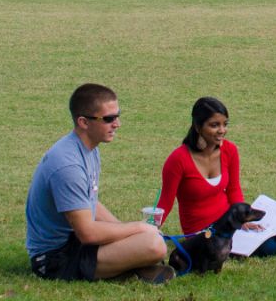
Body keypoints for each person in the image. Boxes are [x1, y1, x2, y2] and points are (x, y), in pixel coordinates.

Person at [25, 83, 173, 284]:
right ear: (84, 122)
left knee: (148, 240)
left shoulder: (89, 148)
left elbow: (90, 203)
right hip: (54, 259)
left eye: (118, 116)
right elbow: (87, 233)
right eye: (109, 119)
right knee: (154, 245)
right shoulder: (68, 165)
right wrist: (138, 228)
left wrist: (127, 233)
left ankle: (129, 268)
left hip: (75, 243)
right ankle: (129, 269)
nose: (117, 124)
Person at [156, 97, 276, 257]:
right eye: (214, 125)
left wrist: (242, 219)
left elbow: (233, 189)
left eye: (225, 124)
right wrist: (149, 230)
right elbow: (165, 203)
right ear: (197, 126)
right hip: (204, 232)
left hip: (230, 220)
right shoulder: (178, 159)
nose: (222, 130)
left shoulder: (229, 150)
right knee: (269, 248)